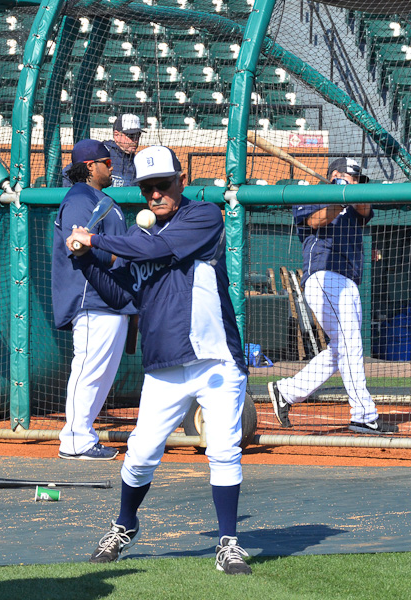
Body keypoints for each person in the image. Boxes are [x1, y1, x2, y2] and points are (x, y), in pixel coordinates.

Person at [66, 145, 252, 575]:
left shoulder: (203, 217)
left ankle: (228, 542)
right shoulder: (138, 237)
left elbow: (160, 251)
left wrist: (96, 239)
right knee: (141, 454)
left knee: (224, 450)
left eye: (163, 185)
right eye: (148, 189)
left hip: (215, 360)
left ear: (180, 181)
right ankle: (125, 524)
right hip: (165, 363)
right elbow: (121, 295)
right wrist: (86, 258)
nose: (155, 195)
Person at [266, 158, 398, 435]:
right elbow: (316, 220)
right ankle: (364, 414)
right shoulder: (310, 195)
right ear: (336, 174)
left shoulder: (355, 201)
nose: (357, 183)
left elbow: (365, 208)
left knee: (341, 348)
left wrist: (348, 190)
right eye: (352, 177)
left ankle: (286, 391)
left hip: (349, 282)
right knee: (350, 343)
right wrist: (337, 193)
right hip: (324, 275)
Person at [52, 140, 135, 460]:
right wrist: (115, 257)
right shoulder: (79, 198)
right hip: (91, 295)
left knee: (100, 373)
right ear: (90, 166)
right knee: (89, 369)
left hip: (110, 298)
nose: (112, 167)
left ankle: (82, 434)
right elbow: (77, 240)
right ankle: (74, 439)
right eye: (107, 162)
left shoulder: (100, 198)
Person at [104, 113, 143, 187]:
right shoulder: (102, 153)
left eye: (138, 135)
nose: (136, 140)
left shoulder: (137, 161)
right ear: (116, 135)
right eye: (131, 135)